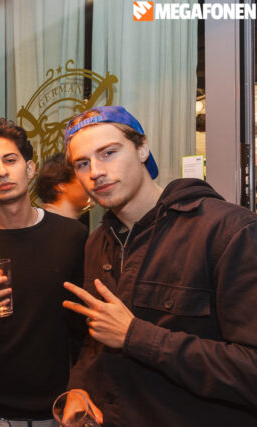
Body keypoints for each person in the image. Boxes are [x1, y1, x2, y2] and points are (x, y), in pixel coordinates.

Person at [62, 105, 257, 426]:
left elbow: (250, 370)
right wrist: (79, 387)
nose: (95, 171)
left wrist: (135, 335)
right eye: (82, 163)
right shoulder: (98, 242)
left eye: (108, 152)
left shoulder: (226, 231)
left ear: (142, 149)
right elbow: (96, 340)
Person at [0, 118, 87, 426]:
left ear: (29, 169)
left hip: (50, 412)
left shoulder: (72, 237)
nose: (1, 171)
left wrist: (81, 388)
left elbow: (83, 330)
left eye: (10, 160)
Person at [35, 152, 91, 220]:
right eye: (83, 178)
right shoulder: (54, 223)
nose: (91, 184)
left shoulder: (52, 220)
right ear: (61, 186)